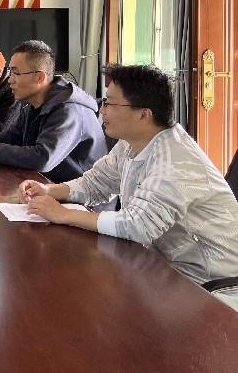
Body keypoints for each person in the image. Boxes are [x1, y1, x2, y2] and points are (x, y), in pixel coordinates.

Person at [21, 64, 238, 309]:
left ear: (143, 114)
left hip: (213, 286)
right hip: (167, 267)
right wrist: (51, 190)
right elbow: (97, 181)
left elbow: (138, 225)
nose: (102, 110)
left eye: (110, 103)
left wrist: (63, 214)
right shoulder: (133, 142)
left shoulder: (175, 161)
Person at [0, 40, 106, 183]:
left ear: (39, 77)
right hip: (45, 185)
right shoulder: (32, 103)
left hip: (80, 194)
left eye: (15, 73)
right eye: (10, 73)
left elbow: (43, 158)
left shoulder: (69, 110)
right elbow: (12, 137)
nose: (9, 80)